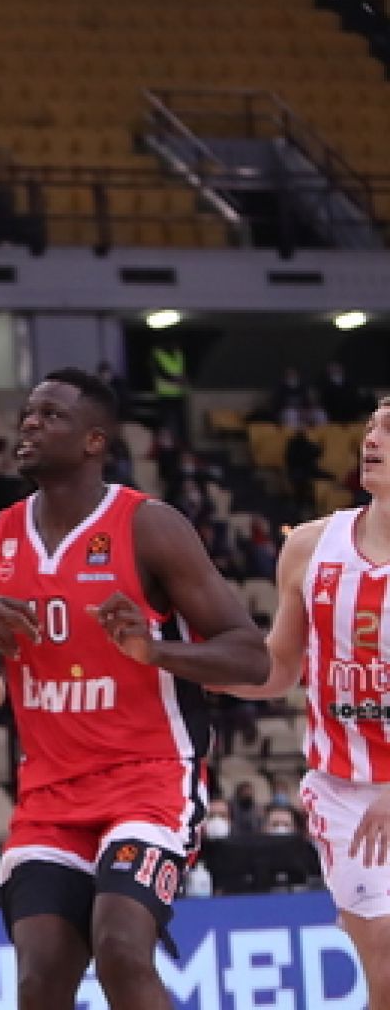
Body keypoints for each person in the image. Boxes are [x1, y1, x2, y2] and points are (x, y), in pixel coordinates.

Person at [0, 369, 268, 1010]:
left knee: (120, 947)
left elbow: (250, 657)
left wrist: (156, 651)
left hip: (151, 780)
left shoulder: (149, 526)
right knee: (39, 978)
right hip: (50, 795)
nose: (30, 423)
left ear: (94, 441)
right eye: (29, 412)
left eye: (51, 415)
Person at [220, 396, 390, 1004]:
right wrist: (186, 667)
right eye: (370, 426)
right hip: (347, 791)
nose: (373, 438)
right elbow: (279, 669)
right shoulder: (312, 546)